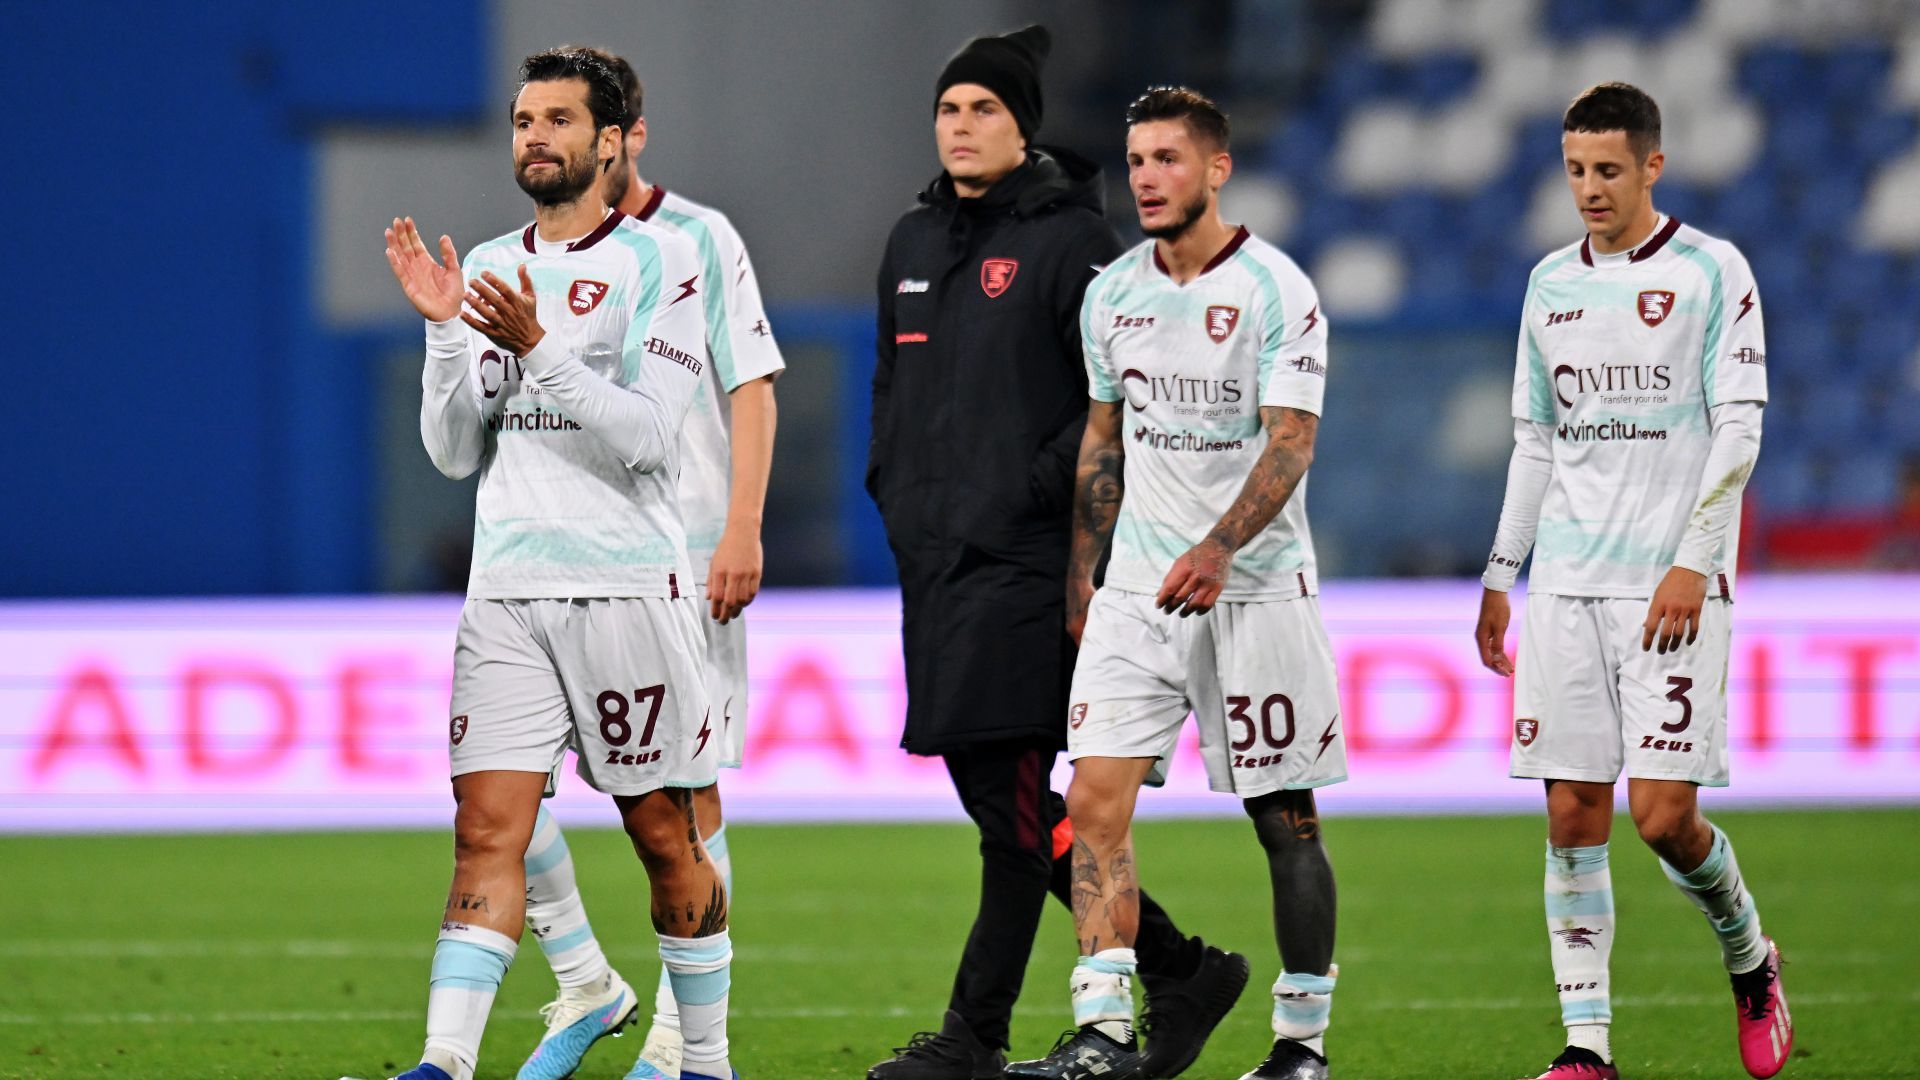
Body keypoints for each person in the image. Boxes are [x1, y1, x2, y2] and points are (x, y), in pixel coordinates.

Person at [866, 27, 1244, 1080]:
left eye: (984, 109)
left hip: (1028, 561)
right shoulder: (909, 240)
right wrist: (894, 489)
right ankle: (1181, 968)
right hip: (935, 559)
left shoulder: (1072, 243)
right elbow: (890, 391)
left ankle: (972, 1037)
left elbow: (1104, 396)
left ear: (1023, 125)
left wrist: (1035, 498)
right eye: (950, 109)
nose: (962, 126)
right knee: (1008, 801)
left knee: (1015, 814)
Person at [358, 47, 735, 1080]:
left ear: (610, 141)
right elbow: (452, 450)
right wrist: (446, 332)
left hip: (624, 585)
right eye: (525, 119)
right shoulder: (484, 263)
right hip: (506, 592)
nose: (535, 136)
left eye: (559, 120)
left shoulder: (662, 262)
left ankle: (704, 1058)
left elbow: (651, 437)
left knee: (666, 836)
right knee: (488, 828)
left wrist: (540, 348)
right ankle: (444, 1063)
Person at [1473, 82, 1791, 1080]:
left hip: (1670, 585)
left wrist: (1694, 562)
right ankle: (1587, 1048)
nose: (1590, 189)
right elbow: (1535, 438)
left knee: (1662, 818)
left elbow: (1738, 427)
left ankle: (1750, 953)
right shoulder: (1548, 284)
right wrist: (1499, 573)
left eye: (1609, 169)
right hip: (1565, 583)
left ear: (1653, 165)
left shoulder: (1711, 271)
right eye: (1575, 170)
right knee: (1573, 815)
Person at [509, 46, 784, 1080]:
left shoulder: (699, 240)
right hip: (549, 562)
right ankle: (585, 980)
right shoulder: (523, 248)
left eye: (581, 122)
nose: (555, 140)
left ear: (626, 134)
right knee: (510, 790)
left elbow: (750, 385)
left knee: (689, 797)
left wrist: (742, 529)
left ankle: (679, 1036)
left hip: (681, 559)